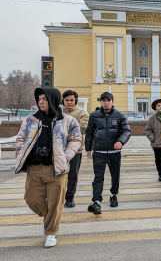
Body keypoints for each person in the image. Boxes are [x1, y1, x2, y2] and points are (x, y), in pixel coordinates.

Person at [15, 87, 81, 248]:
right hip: (35, 167)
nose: (41, 102)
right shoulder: (30, 120)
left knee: (55, 203)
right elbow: (20, 138)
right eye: (39, 99)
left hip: (57, 169)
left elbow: (76, 140)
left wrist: (65, 157)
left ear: (52, 100)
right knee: (31, 199)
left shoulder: (68, 121)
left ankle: (51, 232)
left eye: (44, 99)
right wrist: (21, 151)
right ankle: (49, 218)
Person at [85, 92, 131, 215]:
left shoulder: (119, 115)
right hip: (99, 152)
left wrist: (120, 142)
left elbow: (126, 131)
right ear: (100, 102)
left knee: (115, 176)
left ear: (112, 102)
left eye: (108, 100)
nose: (106, 103)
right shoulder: (94, 116)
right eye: (103, 100)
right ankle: (97, 202)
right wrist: (88, 148)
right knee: (98, 177)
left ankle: (113, 194)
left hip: (114, 152)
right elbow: (89, 132)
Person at [61, 90, 90, 208]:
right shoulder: (57, 111)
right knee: (57, 174)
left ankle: (70, 197)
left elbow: (83, 129)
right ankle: (58, 197)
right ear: (63, 100)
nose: (69, 102)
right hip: (58, 148)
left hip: (75, 149)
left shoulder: (82, 113)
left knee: (72, 175)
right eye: (67, 100)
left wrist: (62, 129)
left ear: (76, 101)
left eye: (71, 100)